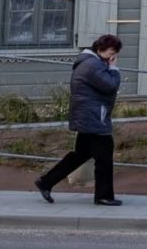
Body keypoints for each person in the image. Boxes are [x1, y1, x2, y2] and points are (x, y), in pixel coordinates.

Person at [35, 34, 124, 206]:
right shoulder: (93, 65)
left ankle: (46, 181)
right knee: (104, 156)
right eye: (111, 52)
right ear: (99, 49)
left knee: (80, 154)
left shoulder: (90, 63)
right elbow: (110, 85)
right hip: (94, 117)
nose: (113, 56)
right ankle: (103, 196)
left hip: (88, 116)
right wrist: (114, 68)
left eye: (115, 53)